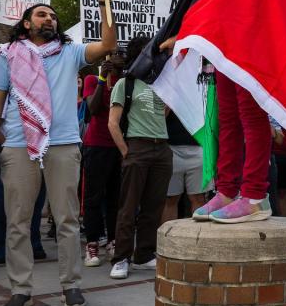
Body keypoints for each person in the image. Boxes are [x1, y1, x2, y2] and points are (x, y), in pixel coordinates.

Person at [0, 0, 118, 306]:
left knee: (68, 218)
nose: (49, 19)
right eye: (42, 15)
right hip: (18, 145)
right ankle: (20, 289)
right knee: (17, 221)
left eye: (53, 16)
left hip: (63, 145)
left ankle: (71, 285)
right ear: (27, 23)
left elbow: (108, 46)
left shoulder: (70, 52)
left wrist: (104, 3)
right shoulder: (8, 56)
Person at [146, 0, 273, 224]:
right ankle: (228, 189)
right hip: (223, 46)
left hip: (247, 43)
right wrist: (184, 31)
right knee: (227, 118)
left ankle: (255, 195)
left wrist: (187, 34)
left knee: (250, 115)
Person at [107, 35, 173, 280]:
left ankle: (144, 254)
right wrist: (127, 151)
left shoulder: (161, 83)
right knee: (128, 206)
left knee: (153, 206)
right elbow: (113, 123)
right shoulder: (126, 84)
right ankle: (121, 257)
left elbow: (164, 112)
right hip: (137, 147)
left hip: (162, 149)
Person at [81, 54, 126, 268]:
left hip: (118, 147)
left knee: (115, 198)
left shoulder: (125, 83)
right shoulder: (92, 80)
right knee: (93, 197)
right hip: (96, 146)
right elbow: (92, 108)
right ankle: (91, 243)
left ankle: (112, 241)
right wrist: (102, 78)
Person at [161, 111, 207, 224]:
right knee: (170, 199)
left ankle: (198, 239)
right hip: (170, 147)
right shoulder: (167, 92)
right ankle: (168, 240)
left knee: (198, 198)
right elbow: (157, 118)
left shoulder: (201, 92)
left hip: (198, 147)